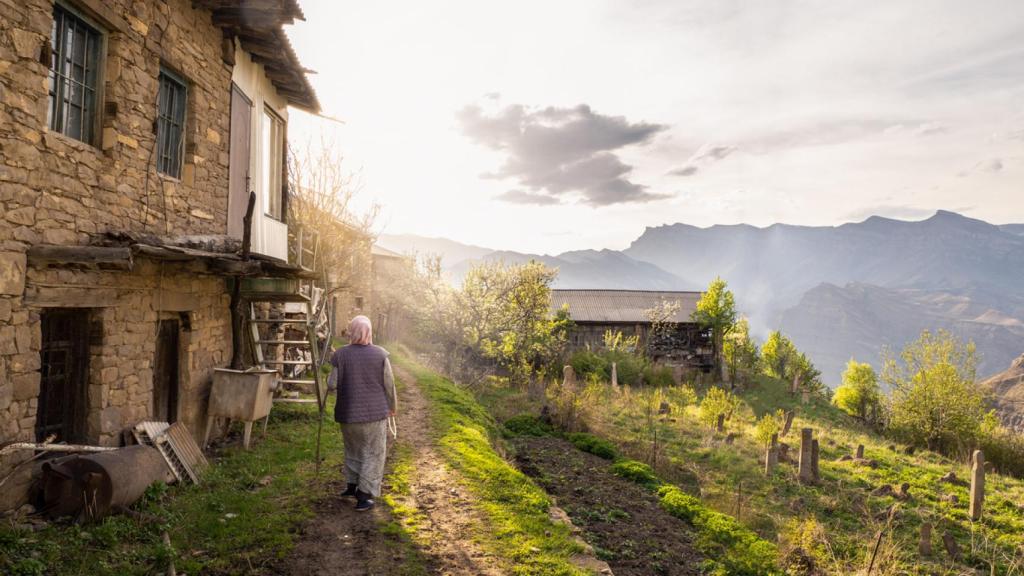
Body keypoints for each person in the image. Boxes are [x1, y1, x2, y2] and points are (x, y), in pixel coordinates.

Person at [329, 315, 396, 511]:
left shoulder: (340, 354)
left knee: (353, 450)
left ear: (351, 331)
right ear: (369, 332)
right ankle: (364, 496)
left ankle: (350, 486)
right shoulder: (380, 354)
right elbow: (389, 385)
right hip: (374, 415)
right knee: (373, 453)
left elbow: (331, 384)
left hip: (347, 415)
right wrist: (392, 407)